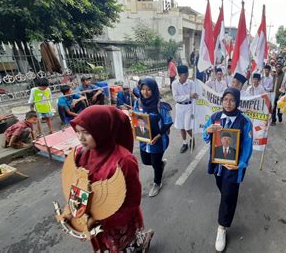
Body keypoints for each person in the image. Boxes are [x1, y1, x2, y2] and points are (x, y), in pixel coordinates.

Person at [70, 105, 153, 252]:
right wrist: (77, 214)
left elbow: (132, 201)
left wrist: (102, 221)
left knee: (125, 247)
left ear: (102, 130)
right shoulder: (82, 154)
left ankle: (141, 244)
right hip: (93, 221)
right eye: (77, 132)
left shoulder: (124, 161)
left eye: (86, 132)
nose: (80, 138)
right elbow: (78, 185)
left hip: (117, 222)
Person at [203, 88, 253, 252]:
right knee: (223, 189)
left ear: (237, 101)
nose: (228, 103)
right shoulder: (215, 117)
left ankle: (222, 228)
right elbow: (206, 135)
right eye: (225, 99)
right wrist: (207, 131)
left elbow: (247, 145)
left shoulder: (245, 121)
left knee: (228, 196)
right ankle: (227, 197)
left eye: (232, 100)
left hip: (233, 166)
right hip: (218, 165)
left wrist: (240, 163)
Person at [132, 78, 173, 197]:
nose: (145, 92)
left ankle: (157, 183)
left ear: (154, 90)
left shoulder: (161, 105)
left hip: (158, 140)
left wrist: (159, 135)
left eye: (148, 90)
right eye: (143, 89)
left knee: (155, 163)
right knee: (145, 161)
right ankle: (160, 165)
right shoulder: (138, 103)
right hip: (144, 138)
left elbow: (168, 122)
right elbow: (137, 117)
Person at [172, 65, 197, 153]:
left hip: (189, 107)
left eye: (187, 74)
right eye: (184, 75)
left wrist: (194, 109)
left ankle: (192, 138)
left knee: (187, 127)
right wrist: (188, 96)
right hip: (179, 107)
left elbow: (194, 96)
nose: (186, 77)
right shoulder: (174, 84)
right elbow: (176, 98)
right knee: (181, 126)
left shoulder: (191, 83)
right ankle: (184, 143)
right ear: (179, 75)